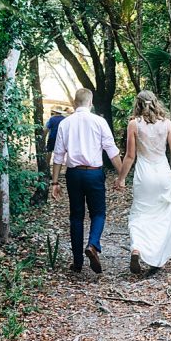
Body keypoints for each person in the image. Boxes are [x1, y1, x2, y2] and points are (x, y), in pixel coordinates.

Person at [114, 89, 171, 273]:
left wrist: (121, 178)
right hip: (162, 173)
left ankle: (137, 247)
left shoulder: (133, 125)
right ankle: (156, 258)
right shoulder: (166, 124)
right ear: (155, 102)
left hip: (144, 176)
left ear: (137, 104)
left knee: (139, 214)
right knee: (161, 218)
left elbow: (129, 156)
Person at [51, 88, 123, 274]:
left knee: (76, 216)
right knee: (98, 213)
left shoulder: (65, 124)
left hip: (73, 174)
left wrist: (55, 182)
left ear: (75, 103)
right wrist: (122, 176)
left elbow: (58, 155)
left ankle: (77, 263)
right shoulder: (99, 122)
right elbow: (112, 151)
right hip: (94, 174)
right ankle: (93, 244)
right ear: (90, 103)